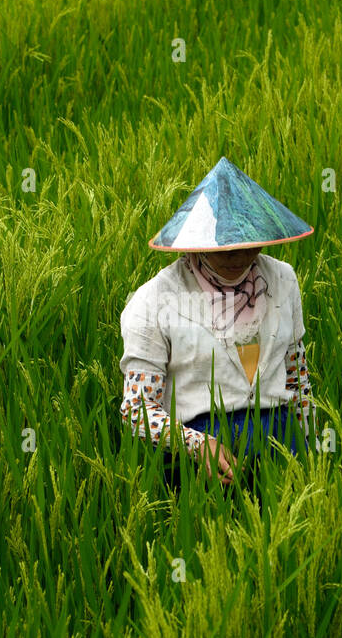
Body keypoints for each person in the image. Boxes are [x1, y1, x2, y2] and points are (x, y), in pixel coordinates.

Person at [118, 156, 318, 492]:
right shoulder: (154, 300)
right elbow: (137, 409)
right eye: (222, 249)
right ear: (196, 243)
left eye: (247, 245)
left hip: (282, 446)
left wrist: (311, 454)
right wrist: (198, 446)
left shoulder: (283, 279)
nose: (238, 257)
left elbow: (298, 378)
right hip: (200, 458)